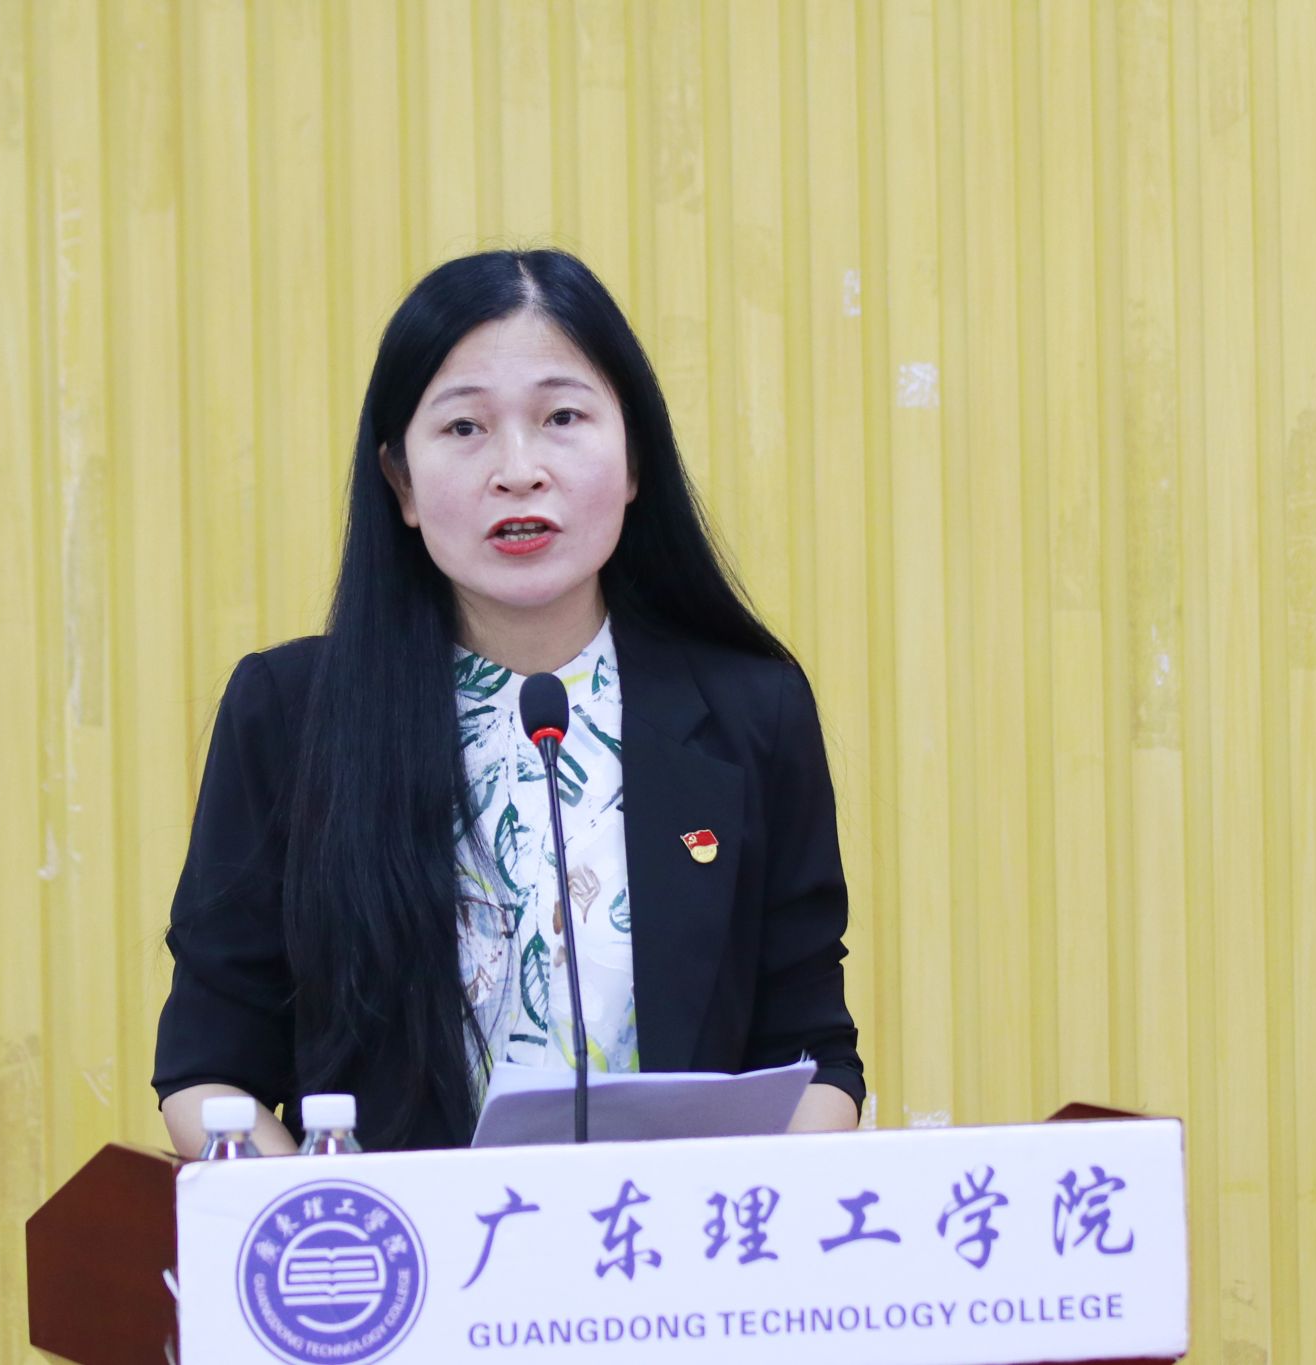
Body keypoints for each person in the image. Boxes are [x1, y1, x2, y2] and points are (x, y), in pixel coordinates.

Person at [154, 248, 865, 1154]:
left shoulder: (749, 712)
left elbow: (814, 1055)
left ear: (634, 460)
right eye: (465, 427)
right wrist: (331, 1216)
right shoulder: (290, 718)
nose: (518, 470)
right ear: (401, 482)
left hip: (669, 1238)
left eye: (562, 416)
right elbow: (208, 1072)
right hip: (397, 1242)